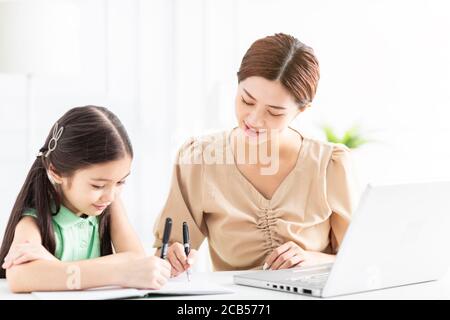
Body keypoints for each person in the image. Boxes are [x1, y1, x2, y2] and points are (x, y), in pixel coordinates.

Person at [0, 106, 171, 292]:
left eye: (121, 182)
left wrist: (54, 266)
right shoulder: (34, 221)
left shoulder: (110, 204)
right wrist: (119, 271)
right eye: (98, 185)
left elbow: (137, 261)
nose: (110, 195)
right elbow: (20, 277)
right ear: (55, 172)